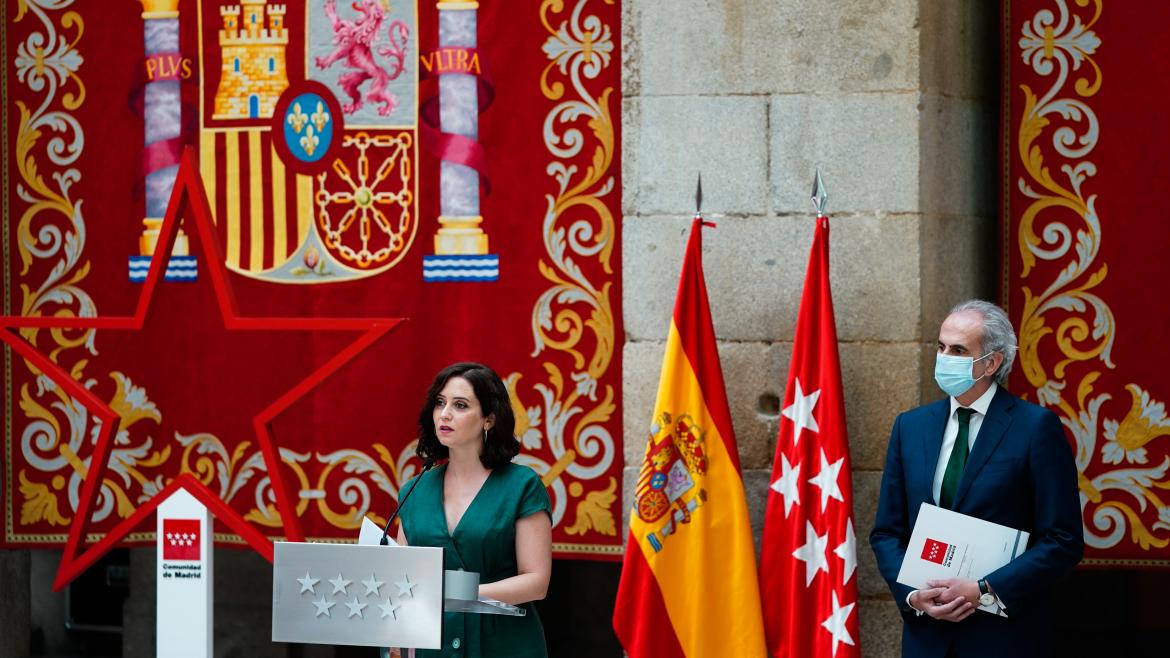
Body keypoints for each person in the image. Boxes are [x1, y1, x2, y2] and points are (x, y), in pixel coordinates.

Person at [869, 300, 1083, 657]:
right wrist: (912, 595)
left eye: (958, 350)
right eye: (940, 347)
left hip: (1002, 638)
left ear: (992, 362)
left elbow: (1063, 539)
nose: (944, 357)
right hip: (928, 637)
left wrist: (985, 588)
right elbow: (887, 531)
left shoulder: (1035, 428)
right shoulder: (911, 426)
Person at [393, 362, 552, 658]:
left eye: (460, 405)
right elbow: (404, 580)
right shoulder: (414, 490)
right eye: (440, 403)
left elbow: (536, 582)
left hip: (502, 643)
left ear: (489, 419)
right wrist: (396, 645)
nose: (445, 414)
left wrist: (456, 593)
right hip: (434, 644)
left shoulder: (522, 485)